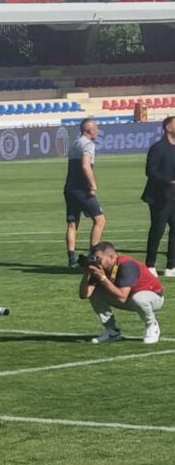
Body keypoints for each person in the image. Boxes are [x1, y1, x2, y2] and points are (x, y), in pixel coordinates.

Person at [81, 242, 163, 345]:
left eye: (98, 259)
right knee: (95, 293)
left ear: (111, 257)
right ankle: (112, 331)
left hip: (153, 297)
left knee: (138, 298)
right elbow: (85, 294)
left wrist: (103, 278)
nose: (97, 262)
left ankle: (152, 325)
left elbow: (122, 297)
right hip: (129, 297)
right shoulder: (101, 268)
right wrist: (87, 273)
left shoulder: (126, 265)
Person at [64, 119, 105, 269]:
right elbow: (85, 166)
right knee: (100, 220)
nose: (98, 131)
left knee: (72, 224)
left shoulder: (75, 143)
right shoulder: (88, 144)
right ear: (89, 130)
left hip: (69, 188)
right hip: (82, 190)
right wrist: (92, 184)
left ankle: (71, 259)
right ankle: (93, 256)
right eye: (96, 128)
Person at [142, 116, 175, 276]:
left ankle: (171, 266)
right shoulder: (158, 148)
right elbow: (150, 171)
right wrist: (169, 181)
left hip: (174, 196)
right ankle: (150, 264)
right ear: (168, 128)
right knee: (158, 230)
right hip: (159, 197)